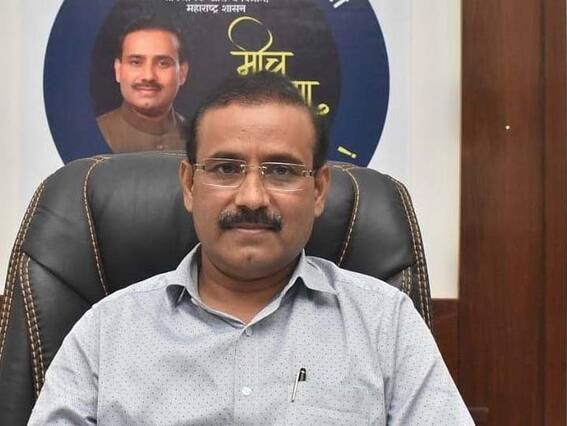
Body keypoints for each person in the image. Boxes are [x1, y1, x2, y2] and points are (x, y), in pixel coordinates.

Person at [29, 72, 474, 425]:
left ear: (319, 189)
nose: (252, 198)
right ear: (189, 185)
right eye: (226, 168)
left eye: (281, 171)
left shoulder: (384, 324)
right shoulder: (107, 331)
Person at [96, 15, 189, 153]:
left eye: (163, 63)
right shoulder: (93, 134)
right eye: (136, 62)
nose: (148, 76)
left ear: (182, 73)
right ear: (118, 70)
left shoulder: (198, 137)